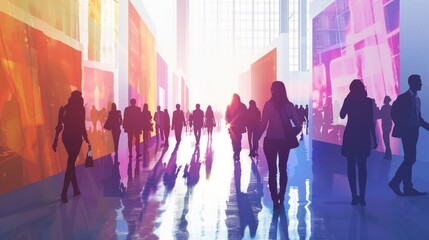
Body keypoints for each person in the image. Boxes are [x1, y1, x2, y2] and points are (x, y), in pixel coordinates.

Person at [257, 81, 301, 209]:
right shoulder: (289, 106)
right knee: (282, 169)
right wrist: (290, 132)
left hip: (270, 141)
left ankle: (274, 199)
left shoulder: (268, 105)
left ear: (273, 91)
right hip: (284, 142)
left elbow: (263, 124)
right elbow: (298, 126)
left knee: (272, 171)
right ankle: (281, 195)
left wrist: (256, 139)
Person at [389, 74, 429, 196]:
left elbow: (418, 118)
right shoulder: (403, 98)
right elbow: (393, 113)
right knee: (410, 159)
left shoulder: (417, 99)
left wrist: (427, 127)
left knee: (409, 159)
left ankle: (407, 187)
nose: (421, 84)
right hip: (407, 132)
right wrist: (402, 126)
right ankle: (396, 182)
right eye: (419, 82)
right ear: (413, 83)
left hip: (414, 132)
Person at [340, 79, 377, 206]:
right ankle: (362, 196)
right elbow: (370, 122)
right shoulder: (368, 102)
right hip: (363, 135)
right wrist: (374, 138)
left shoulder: (349, 100)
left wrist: (347, 98)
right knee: (362, 166)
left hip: (350, 134)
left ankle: (354, 196)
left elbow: (341, 115)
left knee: (351, 166)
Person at [52, 91, 90, 203]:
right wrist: (86, 138)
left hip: (66, 138)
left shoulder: (64, 108)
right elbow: (82, 125)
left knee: (71, 162)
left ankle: (76, 189)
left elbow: (59, 126)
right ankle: (64, 192)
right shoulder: (80, 109)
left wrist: (55, 141)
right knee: (70, 163)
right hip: (77, 139)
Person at [225, 94, 247, 160]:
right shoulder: (243, 106)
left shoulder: (229, 106)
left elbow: (226, 116)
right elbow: (246, 115)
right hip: (240, 126)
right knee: (238, 139)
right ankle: (238, 151)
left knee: (233, 140)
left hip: (232, 127)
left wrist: (228, 122)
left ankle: (235, 151)